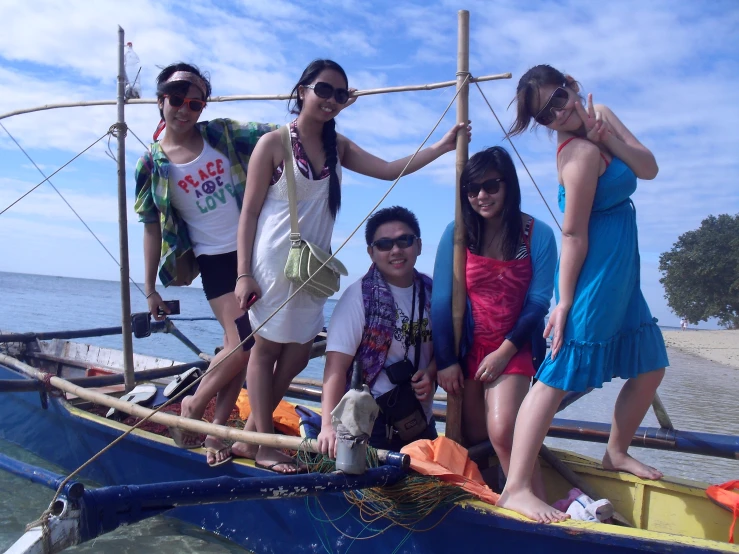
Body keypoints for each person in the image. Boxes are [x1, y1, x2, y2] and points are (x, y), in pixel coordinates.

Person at [233, 59, 470, 473]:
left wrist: (442, 147)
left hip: (314, 268)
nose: (330, 100)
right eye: (323, 90)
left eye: (340, 94)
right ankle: (263, 443)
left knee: (299, 351)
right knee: (266, 348)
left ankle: (252, 432)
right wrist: (243, 273)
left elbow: (389, 170)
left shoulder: (336, 147)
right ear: (302, 90)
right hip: (273, 260)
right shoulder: (273, 143)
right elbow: (248, 213)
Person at [498, 64, 669, 522]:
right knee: (556, 376)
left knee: (650, 366)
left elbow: (648, 168)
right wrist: (565, 303)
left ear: (572, 85)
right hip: (592, 274)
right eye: (545, 115)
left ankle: (615, 452)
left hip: (621, 273)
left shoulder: (602, 117)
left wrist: (605, 134)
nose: (557, 114)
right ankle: (516, 487)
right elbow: (572, 235)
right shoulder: (577, 157)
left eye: (558, 98)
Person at [134, 63, 276, 467]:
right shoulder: (152, 165)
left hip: (255, 251)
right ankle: (194, 408)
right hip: (213, 260)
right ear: (160, 100)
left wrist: (326, 106)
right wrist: (150, 288)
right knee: (245, 344)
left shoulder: (222, 134)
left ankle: (216, 430)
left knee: (243, 347)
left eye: (194, 103)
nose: (184, 109)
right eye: (176, 99)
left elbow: (285, 134)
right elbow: (151, 229)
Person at [432, 146, 556, 498]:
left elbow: (538, 303)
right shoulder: (458, 234)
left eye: (491, 186)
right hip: (468, 345)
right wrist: (446, 362)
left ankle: (536, 505)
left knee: (503, 431)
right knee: (476, 440)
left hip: (514, 346)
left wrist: (504, 352)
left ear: (509, 186)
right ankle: (489, 500)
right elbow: (441, 300)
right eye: (472, 189)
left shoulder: (537, 234)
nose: (481, 196)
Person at [317, 206, 436, 457]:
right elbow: (335, 368)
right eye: (384, 244)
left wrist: (431, 372)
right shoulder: (358, 298)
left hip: (418, 418)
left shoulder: (432, 292)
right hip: (370, 422)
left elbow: (447, 348)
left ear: (419, 245)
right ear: (371, 253)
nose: (396, 250)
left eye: (404, 240)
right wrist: (328, 426)